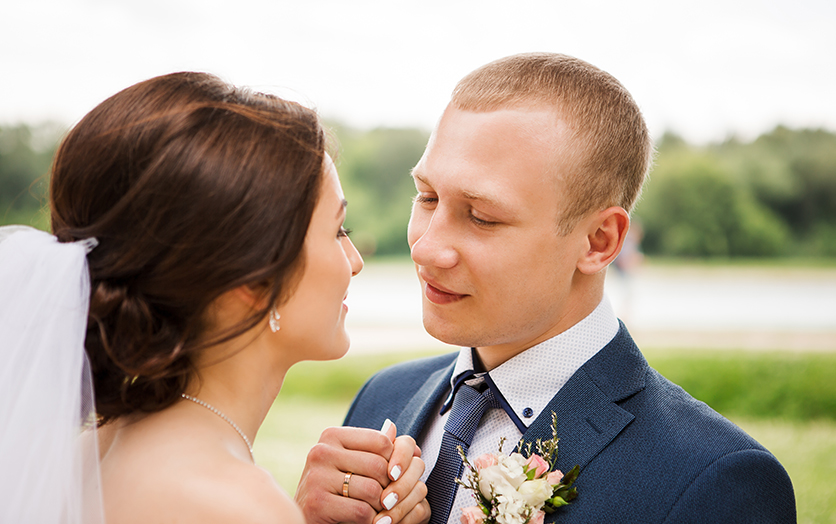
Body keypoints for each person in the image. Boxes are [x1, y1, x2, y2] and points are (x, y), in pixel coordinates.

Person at [298, 53, 796, 523]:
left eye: (482, 217)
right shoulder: (382, 399)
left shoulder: (715, 480)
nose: (427, 248)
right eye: (427, 197)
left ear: (599, 242)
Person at [0, 72, 428, 524]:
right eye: (338, 230)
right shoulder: (231, 503)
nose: (355, 260)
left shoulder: (93, 452)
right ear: (254, 279)